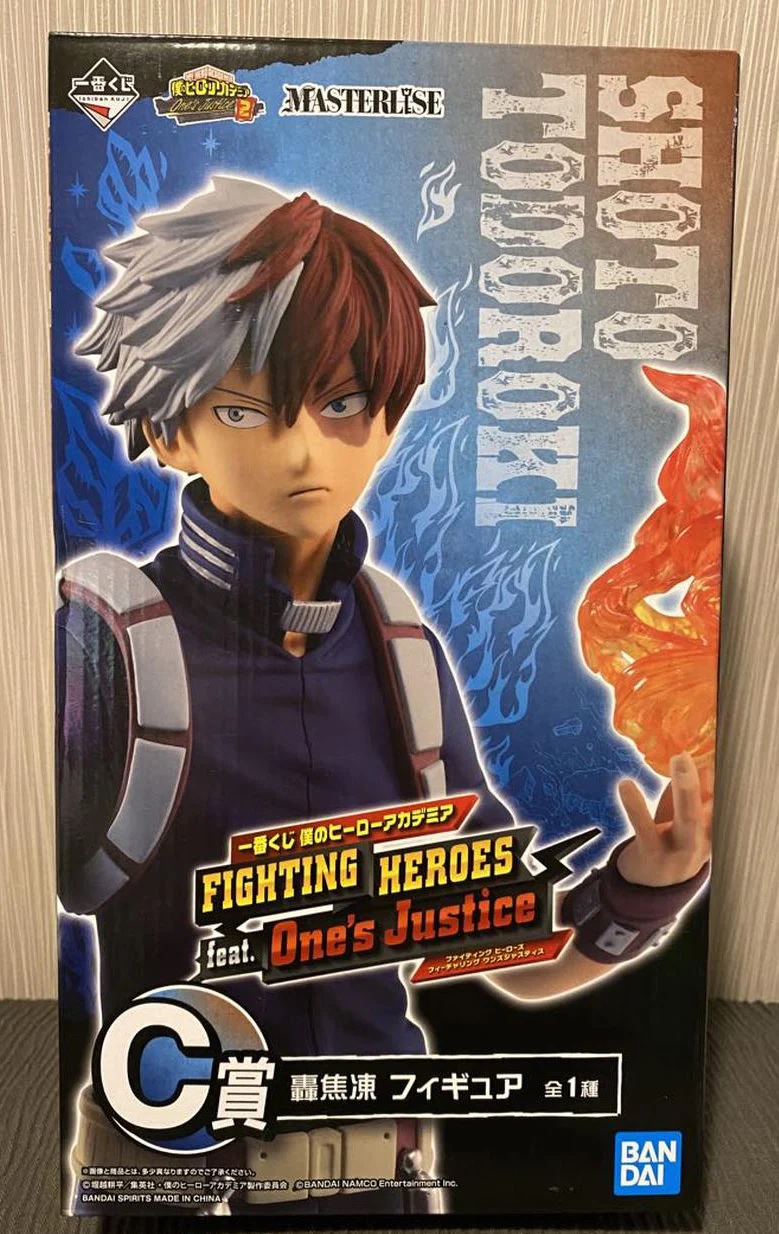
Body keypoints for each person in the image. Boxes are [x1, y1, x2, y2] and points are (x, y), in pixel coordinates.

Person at [57, 176, 711, 1212]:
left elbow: (501, 944)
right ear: (170, 430)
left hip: (383, 1183)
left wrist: (641, 888)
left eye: (342, 402)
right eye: (242, 409)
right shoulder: (108, 643)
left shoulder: (398, 647)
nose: (304, 449)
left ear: (388, 417)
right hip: (175, 1190)